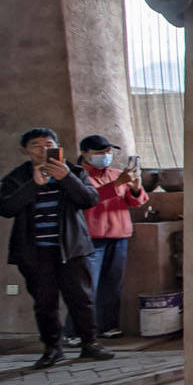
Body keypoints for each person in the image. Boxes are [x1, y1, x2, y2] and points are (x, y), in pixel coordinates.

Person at [0, 128, 115, 369]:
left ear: (57, 146)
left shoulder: (74, 171)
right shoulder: (17, 177)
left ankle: (90, 344)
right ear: (25, 151)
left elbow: (89, 200)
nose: (42, 149)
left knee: (81, 299)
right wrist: (33, 185)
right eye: (36, 145)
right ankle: (53, 349)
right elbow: (3, 208)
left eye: (48, 143)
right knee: (44, 302)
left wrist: (66, 178)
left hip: (71, 249)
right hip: (34, 253)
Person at [61, 135, 147, 344]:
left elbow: (136, 201)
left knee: (112, 285)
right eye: (100, 152)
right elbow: (89, 199)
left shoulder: (117, 174)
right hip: (92, 238)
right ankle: (73, 332)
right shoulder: (77, 176)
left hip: (119, 236)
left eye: (108, 152)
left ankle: (107, 326)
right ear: (85, 153)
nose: (106, 156)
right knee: (86, 287)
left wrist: (135, 187)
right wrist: (117, 184)